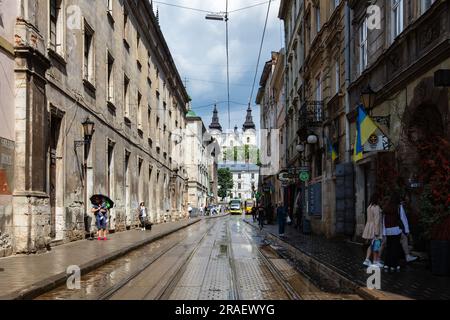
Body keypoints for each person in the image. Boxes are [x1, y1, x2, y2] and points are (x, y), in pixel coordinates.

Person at [382, 195, 403, 273]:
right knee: (395, 247)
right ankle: (394, 264)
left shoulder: (386, 208)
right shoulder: (398, 207)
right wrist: (406, 230)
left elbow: (384, 221)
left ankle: (387, 264)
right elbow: (403, 218)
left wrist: (384, 232)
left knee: (389, 247)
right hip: (396, 229)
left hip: (388, 230)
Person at [362, 193, 383, 267]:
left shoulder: (369, 207)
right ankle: (375, 261)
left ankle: (367, 260)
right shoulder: (376, 207)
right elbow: (377, 220)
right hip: (375, 228)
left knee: (371, 244)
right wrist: (377, 232)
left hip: (369, 227)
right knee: (376, 244)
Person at [400, 197, 418, 263]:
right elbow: (403, 219)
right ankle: (407, 255)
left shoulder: (405, 207)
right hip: (401, 228)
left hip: (406, 226)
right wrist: (407, 230)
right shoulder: (400, 207)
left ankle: (407, 254)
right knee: (405, 239)